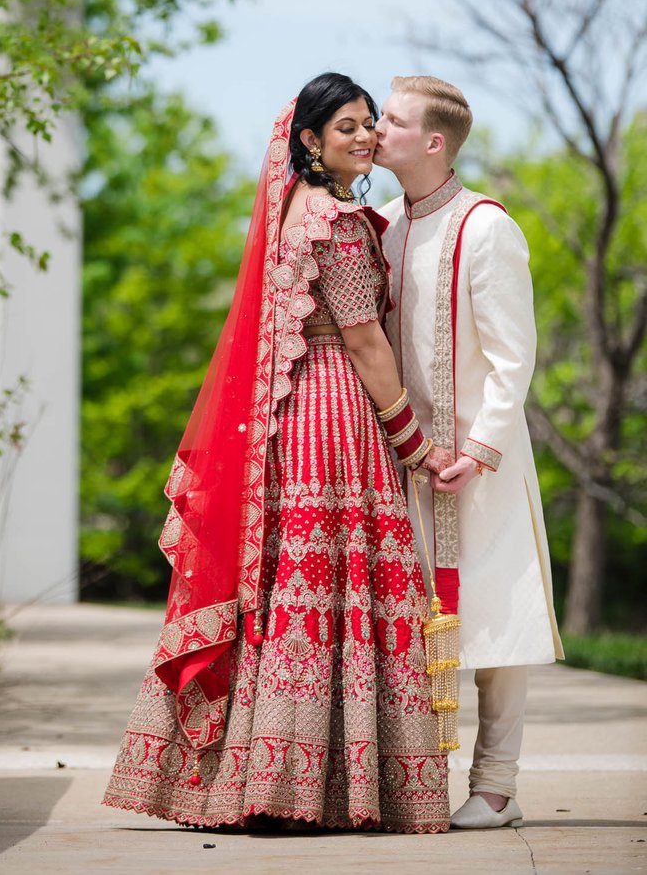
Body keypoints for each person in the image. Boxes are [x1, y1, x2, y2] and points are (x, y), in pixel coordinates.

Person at [102, 74, 451, 833]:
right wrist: (413, 442)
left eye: (369, 125)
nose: (363, 138)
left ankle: (256, 782)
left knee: (285, 590)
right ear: (310, 142)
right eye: (348, 128)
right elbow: (363, 340)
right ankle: (315, 791)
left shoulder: (290, 208)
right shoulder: (342, 223)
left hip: (284, 417)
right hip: (334, 415)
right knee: (335, 590)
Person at [373, 75, 563, 831]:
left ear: (433, 142)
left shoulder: (486, 226)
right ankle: (418, 779)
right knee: (415, 621)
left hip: (480, 462)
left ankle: (497, 786)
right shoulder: (384, 223)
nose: (375, 129)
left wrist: (478, 450)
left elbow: (517, 355)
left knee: (496, 621)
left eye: (391, 119)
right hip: (405, 462)